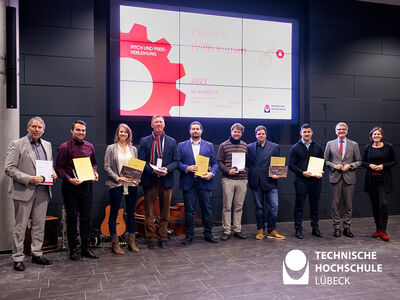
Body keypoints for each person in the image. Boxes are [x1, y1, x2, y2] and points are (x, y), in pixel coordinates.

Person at [5, 117, 57, 271]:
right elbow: (9, 168)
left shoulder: (47, 145)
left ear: (43, 129)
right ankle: (18, 258)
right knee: (20, 227)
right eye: (34, 126)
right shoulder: (17, 144)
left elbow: (50, 164)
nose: (36, 129)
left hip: (43, 190)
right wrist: (29, 179)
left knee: (39, 225)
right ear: (28, 128)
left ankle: (36, 253)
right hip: (24, 190)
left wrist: (52, 173)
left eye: (39, 127)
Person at [55, 120, 99, 260]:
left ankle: (85, 248)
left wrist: (95, 173)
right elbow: (59, 168)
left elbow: (94, 164)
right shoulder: (64, 147)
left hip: (86, 186)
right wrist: (69, 179)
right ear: (72, 130)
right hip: (70, 187)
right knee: (72, 219)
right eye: (78, 130)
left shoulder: (90, 146)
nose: (81, 133)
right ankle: (73, 249)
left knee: (86, 218)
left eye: (83, 130)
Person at [138, 115, 178, 249]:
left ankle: (163, 236)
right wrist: (152, 170)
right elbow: (141, 161)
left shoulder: (172, 141)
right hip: (150, 180)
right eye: (156, 122)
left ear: (164, 125)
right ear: (152, 125)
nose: (158, 124)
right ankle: (151, 237)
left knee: (165, 211)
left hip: (166, 180)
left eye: (161, 122)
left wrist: (167, 169)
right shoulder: (145, 141)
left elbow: (176, 161)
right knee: (149, 211)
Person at [178, 121, 219, 245]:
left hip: (205, 181)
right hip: (188, 182)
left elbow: (215, 163)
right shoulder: (181, 145)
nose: (195, 131)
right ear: (189, 131)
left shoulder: (209, 145)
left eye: (197, 129)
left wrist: (211, 173)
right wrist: (187, 167)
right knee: (189, 210)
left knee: (206, 209)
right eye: (193, 129)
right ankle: (189, 235)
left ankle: (208, 234)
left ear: (201, 131)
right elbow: (177, 163)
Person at [104, 124, 140, 254]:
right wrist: (118, 178)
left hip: (131, 185)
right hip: (116, 184)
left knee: (131, 213)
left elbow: (136, 166)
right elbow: (106, 167)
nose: (123, 134)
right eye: (121, 132)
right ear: (117, 133)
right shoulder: (111, 148)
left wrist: (137, 177)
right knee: (114, 213)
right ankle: (115, 244)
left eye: (125, 132)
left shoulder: (134, 149)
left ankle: (131, 241)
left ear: (128, 134)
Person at [247, 125, 285, 240]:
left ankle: (272, 230)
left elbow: (277, 163)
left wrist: (277, 173)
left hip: (270, 181)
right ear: (256, 135)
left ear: (266, 134)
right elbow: (248, 163)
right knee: (259, 208)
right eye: (259, 134)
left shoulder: (274, 146)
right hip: (256, 181)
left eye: (262, 133)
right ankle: (260, 230)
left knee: (273, 207)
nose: (261, 135)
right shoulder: (249, 147)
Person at [324, 122, 361, 238]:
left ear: (347, 131)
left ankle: (347, 227)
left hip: (349, 178)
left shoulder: (354, 144)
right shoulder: (330, 144)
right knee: (335, 205)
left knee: (348, 205)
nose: (341, 131)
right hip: (335, 177)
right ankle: (336, 228)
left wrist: (349, 166)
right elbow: (325, 161)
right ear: (336, 131)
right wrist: (334, 166)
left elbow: (359, 161)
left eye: (343, 129)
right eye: (339, 129)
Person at [288, 124, 324, 239]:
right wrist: (302, 172)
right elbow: (291, 165)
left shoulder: (318, 147)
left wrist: (321, 171)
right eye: (304, 132)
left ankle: (315, 228)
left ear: (312, 133)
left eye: (308, 131)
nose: (307, 134)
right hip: (301, 181)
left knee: (315, 206)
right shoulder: (295, 147)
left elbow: (322, 162)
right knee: (299, 206)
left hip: (315, 181)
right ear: (301, 133)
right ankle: (298, 229)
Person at [361, 127, 396, 242]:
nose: (376, 136)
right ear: (371, 136)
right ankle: (378, 229)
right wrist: (369, 165)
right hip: (371, 180)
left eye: (378, 134)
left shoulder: (388, 147)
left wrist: (383, 166)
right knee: (375, 205)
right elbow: (362, 162)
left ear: (382, 136)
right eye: (374, 134)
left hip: (383, 180)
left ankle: (383, 230)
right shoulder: (367, 148)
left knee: (383, 204)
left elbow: (394, 161)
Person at [217, 123, 248, 240]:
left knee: (239, 206)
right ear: (231, 132)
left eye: (239, 132)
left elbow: (247, 161)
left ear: (242, 133)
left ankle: (237, 229)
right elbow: (219, 162)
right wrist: (227, 170)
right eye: (235, 131)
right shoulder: (224, 145)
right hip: (228, 179)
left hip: (242, 180)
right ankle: (226, 230)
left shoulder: (245, 145)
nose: (237, 134)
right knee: (227, 206)